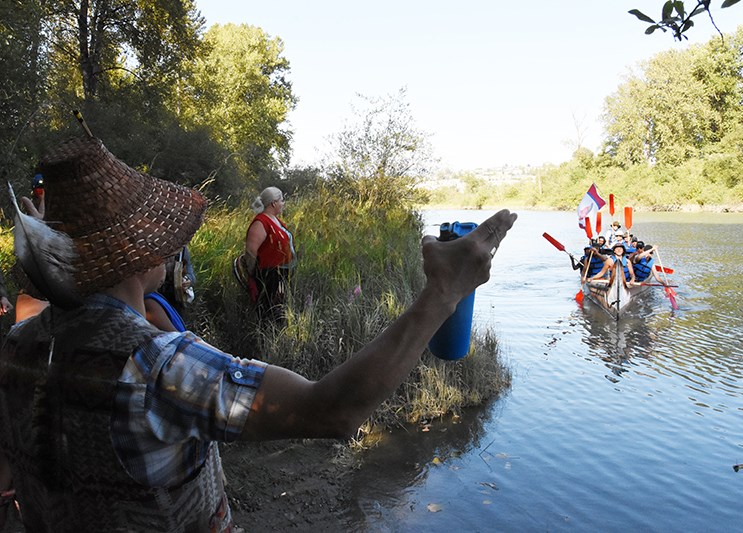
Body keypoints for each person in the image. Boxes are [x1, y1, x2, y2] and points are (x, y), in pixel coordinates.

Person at [0, 136, 516, 531]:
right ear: (142, 255)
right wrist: (442, 293)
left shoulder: (15, 346)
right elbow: (330, 410)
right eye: (158, 235)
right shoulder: (160, 369)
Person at [244, 187, 296, 320]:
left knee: (279, 311)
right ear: (273, 203)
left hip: (281, 274)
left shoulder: (277, 221)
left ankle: (277, 335)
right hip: (268, 276)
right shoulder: (261, 222)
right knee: (268, 311)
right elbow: (251, 251)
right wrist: (253, 274)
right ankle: (263, 337)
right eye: (281, 201)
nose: (283, 204)